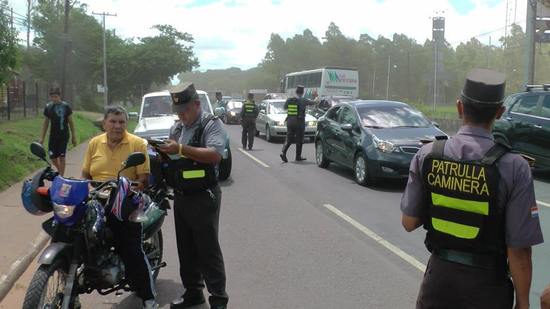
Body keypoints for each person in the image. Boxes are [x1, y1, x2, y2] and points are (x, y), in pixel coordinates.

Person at [400, 68, 543, 309]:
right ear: (500, 112)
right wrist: (523, 303)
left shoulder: (428, 155)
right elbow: (519, 251)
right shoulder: (515, 167)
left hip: (438, 285)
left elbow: (409, 222)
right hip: (488, 289)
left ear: (459, 107)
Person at [157, 83, 228, 309]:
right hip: (182, 195)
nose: (181, 115)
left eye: (185, 111)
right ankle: (193, 293)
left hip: (204, 196)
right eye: (178, 112)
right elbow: (174, 159)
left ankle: (218, 299)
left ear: (197, 104)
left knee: (207, 249)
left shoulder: (211, 124)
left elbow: (214, 155)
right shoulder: (177, 128)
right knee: (185, 248)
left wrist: (179, 149)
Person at [81, 106, 158, 309]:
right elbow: (86, 175)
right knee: (77, 234)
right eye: (113, 121)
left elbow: (143, 180)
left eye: (121, 122)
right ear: (104, 123)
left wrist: (125, 189)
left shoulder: (137, 143)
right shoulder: (94, 143)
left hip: (127, 201)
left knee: (131, 248)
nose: (117, 126)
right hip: (98, 199)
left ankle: (148, 297)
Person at [39, 87, 77, 176]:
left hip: (64, 135)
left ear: (59, 96)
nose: (54, 99)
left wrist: (73, 136)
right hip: (53, 136)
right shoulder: (48, 107)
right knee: (52, 157)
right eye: (52, 97)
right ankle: (60, 171)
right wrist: (42, 138)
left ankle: (61, 176)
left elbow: (71, 122)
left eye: (56, 96)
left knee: (62, 157)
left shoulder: (66, 106)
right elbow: (45, 123)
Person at [280, 85, 317, 162]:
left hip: (290, 121)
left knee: (289, 138)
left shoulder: (289, 99)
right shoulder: (303, 100)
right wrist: (316, 96)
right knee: (299, 139)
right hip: (299, 122)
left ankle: (283, 152)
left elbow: (284, 108)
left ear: (296, 92)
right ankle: (298, 156)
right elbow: (315, 102)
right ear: (303, 92)